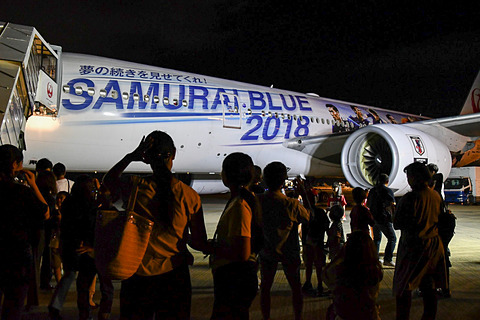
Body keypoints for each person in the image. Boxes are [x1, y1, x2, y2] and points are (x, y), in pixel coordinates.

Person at [103, 131, 209, 320]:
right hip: (174, 276)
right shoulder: (189, 195)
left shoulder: (136, 186)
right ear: (174, 154)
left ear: (146, 158)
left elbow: (108, 181)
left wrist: (130, 157)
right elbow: (200, 242)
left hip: (137, 274)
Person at [209, 152, 261, 320]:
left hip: (235, 279)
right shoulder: (242, 198)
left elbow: (242, 253)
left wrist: (212, 247)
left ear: (227, 175)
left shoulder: (240, 204)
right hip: (236, 278)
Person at [0, 145, 49, 320]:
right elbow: (45, 212)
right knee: (13, 307)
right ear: (14, 165)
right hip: (16, 256)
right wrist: (33, 185)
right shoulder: (21, 192)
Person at [393, 162, 447, 320]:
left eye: (408, 176)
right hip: (434, 246)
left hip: (413, 246)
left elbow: (398, 223)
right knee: (429, 287)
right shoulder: (435, 195)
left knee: (404, 287)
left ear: (414, 178)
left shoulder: (410, 198)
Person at [257, 162, 310, 320]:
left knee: (265, 288)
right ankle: (298, 317)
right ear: (283, 181)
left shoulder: (258, 201)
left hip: (266, 251)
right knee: (296, 288)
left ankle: (266, 317)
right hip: (289, 251)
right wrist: (304, 194)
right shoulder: (291, 204)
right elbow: (308, 217)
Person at [323, 231, 383, 320]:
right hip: (367, 313)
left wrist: (339, 255)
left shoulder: (340, 270)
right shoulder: (374, 270)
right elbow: (374, 294)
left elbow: (325, 274)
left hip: (344, 313)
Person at [367, 173, 396, 267]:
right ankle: (388, 259)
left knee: (377, 239)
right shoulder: (387, 191)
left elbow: (368, 204)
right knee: (392, 238)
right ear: (387, 181)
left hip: (373, 218)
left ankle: (375, 258)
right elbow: (391, 205)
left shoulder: (372, 190)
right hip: (383, 218)